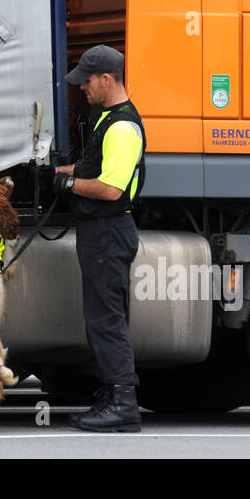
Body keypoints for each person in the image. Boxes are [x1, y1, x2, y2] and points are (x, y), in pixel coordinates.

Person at [54, 44, 145, 432]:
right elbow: (96, 166)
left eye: (87, 82)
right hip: (99, 233)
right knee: (100, 318)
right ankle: (111, 395)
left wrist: (69, 182)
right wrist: (58, 170)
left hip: (109, 232)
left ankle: (123, 403)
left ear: (107, 79)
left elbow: (110, 188)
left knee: (108, 320)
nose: (82, 89)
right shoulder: (104, 117)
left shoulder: (123, 126)